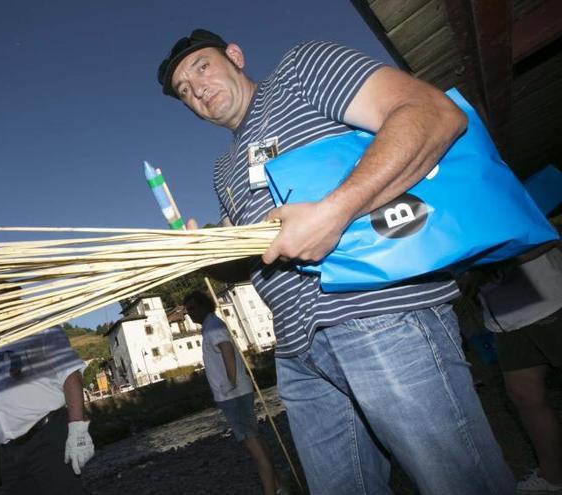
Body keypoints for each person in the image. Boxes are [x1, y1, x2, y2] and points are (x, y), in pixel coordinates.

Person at [157, 29, 515, 494]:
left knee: (458, 483)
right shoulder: (223, 170)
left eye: (201, 67)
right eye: (184, 90)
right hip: (296, 352)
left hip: (379, 317)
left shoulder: (301, 70)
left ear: (236, 56)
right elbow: (252, 259)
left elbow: (431, 113)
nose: (197, 88)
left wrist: (336, 210)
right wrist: (205, 254)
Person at [0, 289, 94, 494]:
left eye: (1, 293)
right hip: (10, 455)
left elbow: (70, 376)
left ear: (16, 295)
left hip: (47, 439)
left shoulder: (42, 330)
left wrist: (78, 429)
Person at [477, 245, 562, 494]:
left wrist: (492, 266)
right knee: (524, 395)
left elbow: (546, 235)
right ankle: (554, 475)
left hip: (548, 297)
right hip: (505, 316)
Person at [183, 290, 285, 495]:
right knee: (255, 439)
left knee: (252, 446)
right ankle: (279, 487)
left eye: (193, 308)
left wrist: (230, 384)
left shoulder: (212, 327)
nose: (190, 313)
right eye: (188, 310)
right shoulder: (211, 325)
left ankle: (271, 491)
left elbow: (227, 352)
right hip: (236, 392)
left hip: (233, 395)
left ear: (204, 306)